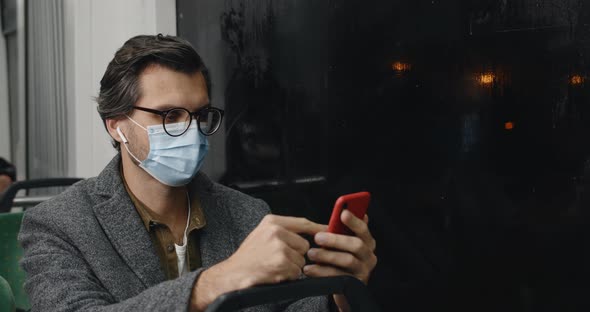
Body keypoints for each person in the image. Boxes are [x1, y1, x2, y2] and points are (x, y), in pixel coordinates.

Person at [18, 34, 377, 312]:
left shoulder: (248, 214)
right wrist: (216, 282)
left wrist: (339, 295)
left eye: (199, 115)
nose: (190, 131)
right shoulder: (58, 225)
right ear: (116, 126)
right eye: (169, 115)